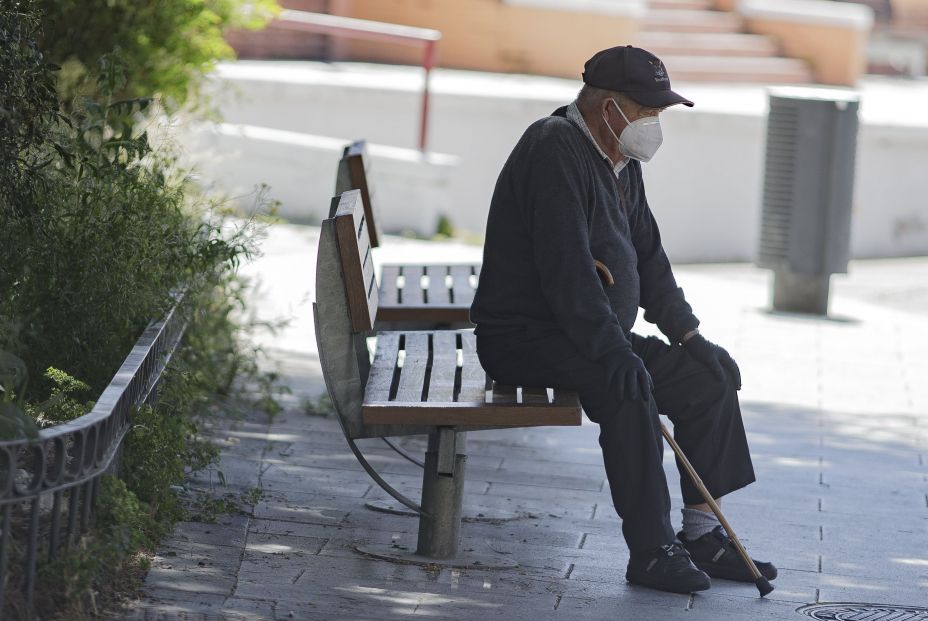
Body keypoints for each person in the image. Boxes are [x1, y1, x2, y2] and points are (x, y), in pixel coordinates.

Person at [470, 45, 777, 594]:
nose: (654, 122)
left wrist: (688, 334)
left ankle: (702, 536)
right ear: (609, 106)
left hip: (584, 332)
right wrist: (615, 352)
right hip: (525, 336)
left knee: (708, 380)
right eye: (648, 110)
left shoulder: (618, 159)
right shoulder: (555, 147)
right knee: (628, 385)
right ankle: (652, 551)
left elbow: (649, 257)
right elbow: (568, 273)